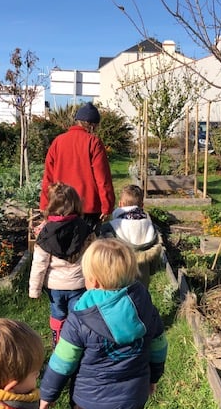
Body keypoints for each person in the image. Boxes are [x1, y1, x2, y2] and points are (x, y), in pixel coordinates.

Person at [39, 238, 168, 409]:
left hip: (87, 397)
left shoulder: (81, 316)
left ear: (95, 282)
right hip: (131, 397)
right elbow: (159, 344)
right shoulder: (144, 306)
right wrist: (154, 377)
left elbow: (63, 361)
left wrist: (48, 394)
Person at [29, 182, 95, 346]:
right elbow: (93, 256)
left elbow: (39, 264)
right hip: (78, 283)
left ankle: (58, 341)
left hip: (55, 286)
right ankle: (76, 342)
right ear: (76, 204)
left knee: (58, 314)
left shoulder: (45, 233)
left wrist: (34, 290)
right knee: (77, 314)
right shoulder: (85, 229)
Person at [40, 102, 115, 235]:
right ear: (91, 124)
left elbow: (48, 177)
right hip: (88, 207)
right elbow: (102, 177)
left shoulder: (58, 141)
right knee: (87, 248)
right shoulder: (93, 142)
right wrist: (106, 206)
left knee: (62, 248)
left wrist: (45, 204)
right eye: (96, 126)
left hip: (61, 205)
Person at [100, 184, 164, 289]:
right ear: (142, 205)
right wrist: (151, 270)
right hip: (142, 278)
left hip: (118, 278)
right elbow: (156, 253)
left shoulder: (111, 228)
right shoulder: (150, 227)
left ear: (120, 204)